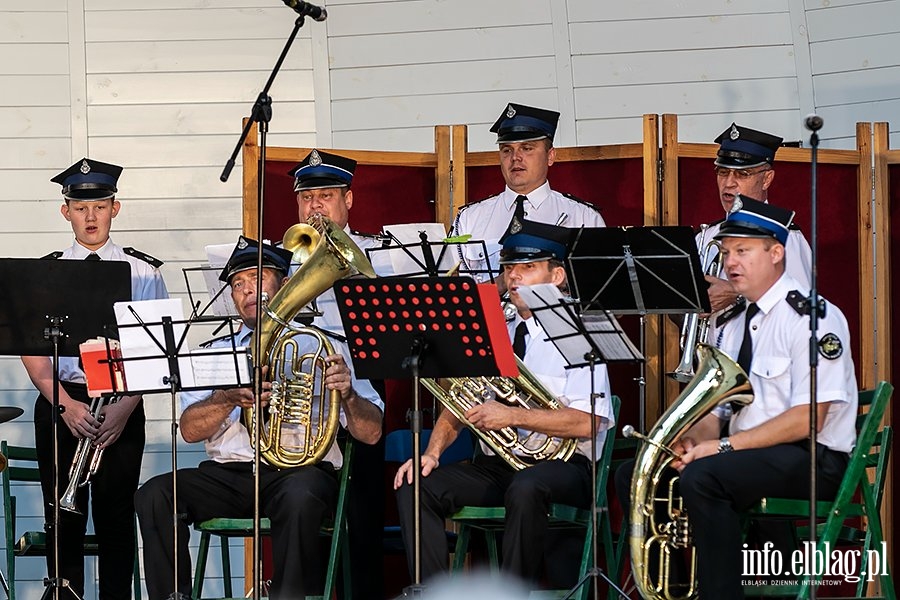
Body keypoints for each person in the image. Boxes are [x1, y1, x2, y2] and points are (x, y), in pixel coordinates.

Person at [619, 197, 858, 598]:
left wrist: (722, 447)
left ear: (776, 253)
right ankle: (678, 590)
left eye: (743, 251)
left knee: (705, 477)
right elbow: (723, 409)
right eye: (727, 252)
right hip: (752, 452)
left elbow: (808, 420)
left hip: (815, 458)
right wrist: (693, 438)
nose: (731, 263)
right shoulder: (733, 325)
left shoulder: (813, 316)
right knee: (639, 474)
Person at [134, 237, 384, 600]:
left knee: (300, 497)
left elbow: (372, 433)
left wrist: (347, 394)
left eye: (258, 279)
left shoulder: (329, 346)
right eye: (238, 284)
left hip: (300, 473)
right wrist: (225, 398)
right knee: (154, 494)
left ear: (285, 284)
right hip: (230, 476)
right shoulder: (216, 352)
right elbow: (189, 430)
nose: (248, 290)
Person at [394, 219, 615, 584]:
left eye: (528, 268)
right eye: (509, 268)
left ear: (557, 275)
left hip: (567, 465)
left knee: (526, 486)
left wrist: (512, 415)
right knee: (415, 484)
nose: (514, 277)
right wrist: (432, 452)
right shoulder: (498, 329)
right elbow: (461, 399)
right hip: (501, 463)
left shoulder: (580, 333)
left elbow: (588, 422)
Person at [21, 158, 168, 600]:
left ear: (115, 209)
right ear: (65, 211)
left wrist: (123, 411)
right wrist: (65, 406)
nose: (90, 217)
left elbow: (155, 353)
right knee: (61, 515)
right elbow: (33, 351)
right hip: (63, 399)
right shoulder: (44, 273)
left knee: (116, 516)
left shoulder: (143, 272)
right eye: (80, 207)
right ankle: (65, 594)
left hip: (121, 400)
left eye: (100, 206)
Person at [449, 102, 606, 283]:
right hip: (488, 312)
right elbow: (451, 296)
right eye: (507, 150)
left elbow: (602, 301)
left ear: (550, 156)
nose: (515, 157)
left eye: (527, 148)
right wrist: (501, 284)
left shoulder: (583, 218)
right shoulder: (469, 218)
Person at [699, 123, 812, 312]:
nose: (728, 183)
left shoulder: (785, 237)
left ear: (766, 179)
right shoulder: (705, 237)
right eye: (723, 172)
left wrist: (736, 293)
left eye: (742, 174)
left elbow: (802, 307)